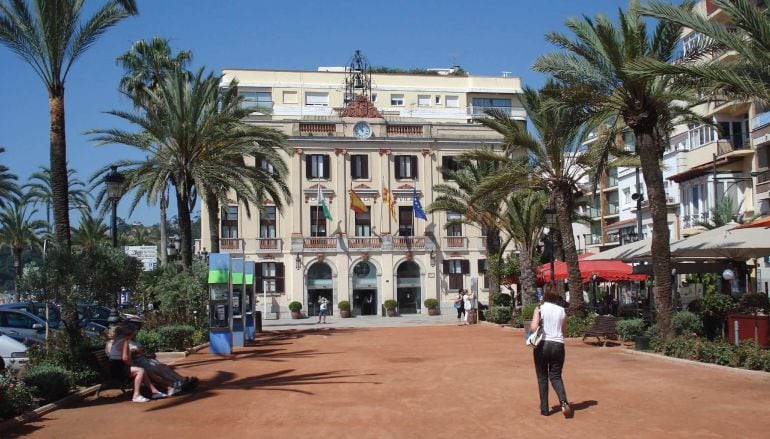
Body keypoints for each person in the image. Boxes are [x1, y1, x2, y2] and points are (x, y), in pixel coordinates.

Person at [530, 292, 573, 418]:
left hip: (542, 344)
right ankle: (564, 402)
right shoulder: (562, 311)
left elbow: (533, 327)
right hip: (558, 345)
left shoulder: (539, 309)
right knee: (556, 376)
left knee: (542, 377)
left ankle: (544, 409)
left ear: (545, 297)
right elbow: (564, 331)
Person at [127, 329, 198, 395]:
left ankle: (180, 380)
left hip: (145, 359)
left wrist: (148, 355)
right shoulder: (126, 342)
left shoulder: (135, 341)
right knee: (158, 368)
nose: (135, 332)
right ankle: (178, 383)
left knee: (163, 366)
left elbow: (142, 353)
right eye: (134, 331)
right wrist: (136, 353)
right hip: (139, 363)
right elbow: (129, 356)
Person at [107, 324, 166, 403]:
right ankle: (136, 396)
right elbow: (125, 358)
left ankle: (154, 392)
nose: (136, 333)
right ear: (131, 332)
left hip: (115, 366)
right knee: (140, 371)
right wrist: (133, 365)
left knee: (142, 370)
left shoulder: (119, 339)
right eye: (135, 332)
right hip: (118, 369)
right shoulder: (124, 340)